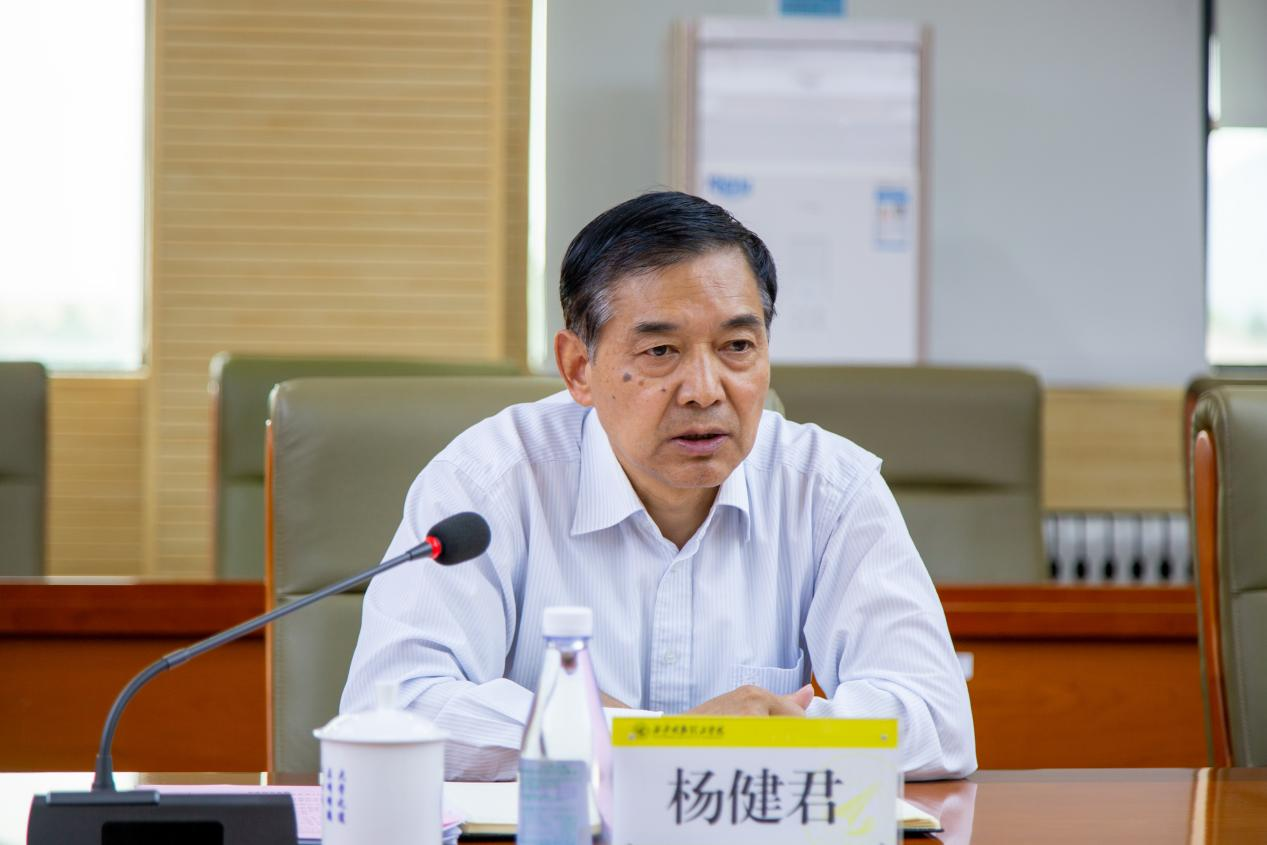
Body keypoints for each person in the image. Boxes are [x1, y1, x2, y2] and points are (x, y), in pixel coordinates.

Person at [340, 191, 976, 781]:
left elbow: (938, 721)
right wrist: (663, 740)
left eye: (737, 346)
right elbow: (394, 707)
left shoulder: (828, 489)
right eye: (661, 352)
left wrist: (782, 732)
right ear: (578, 368)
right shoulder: (486, 483)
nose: (704, 390)